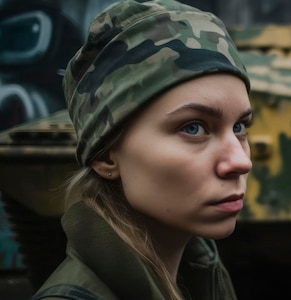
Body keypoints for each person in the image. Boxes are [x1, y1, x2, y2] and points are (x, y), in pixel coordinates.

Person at [32, 0, 251, 299]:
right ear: (106, 154)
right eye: (193, 128)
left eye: (239, 127)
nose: (240, 161)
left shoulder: (197, 278)